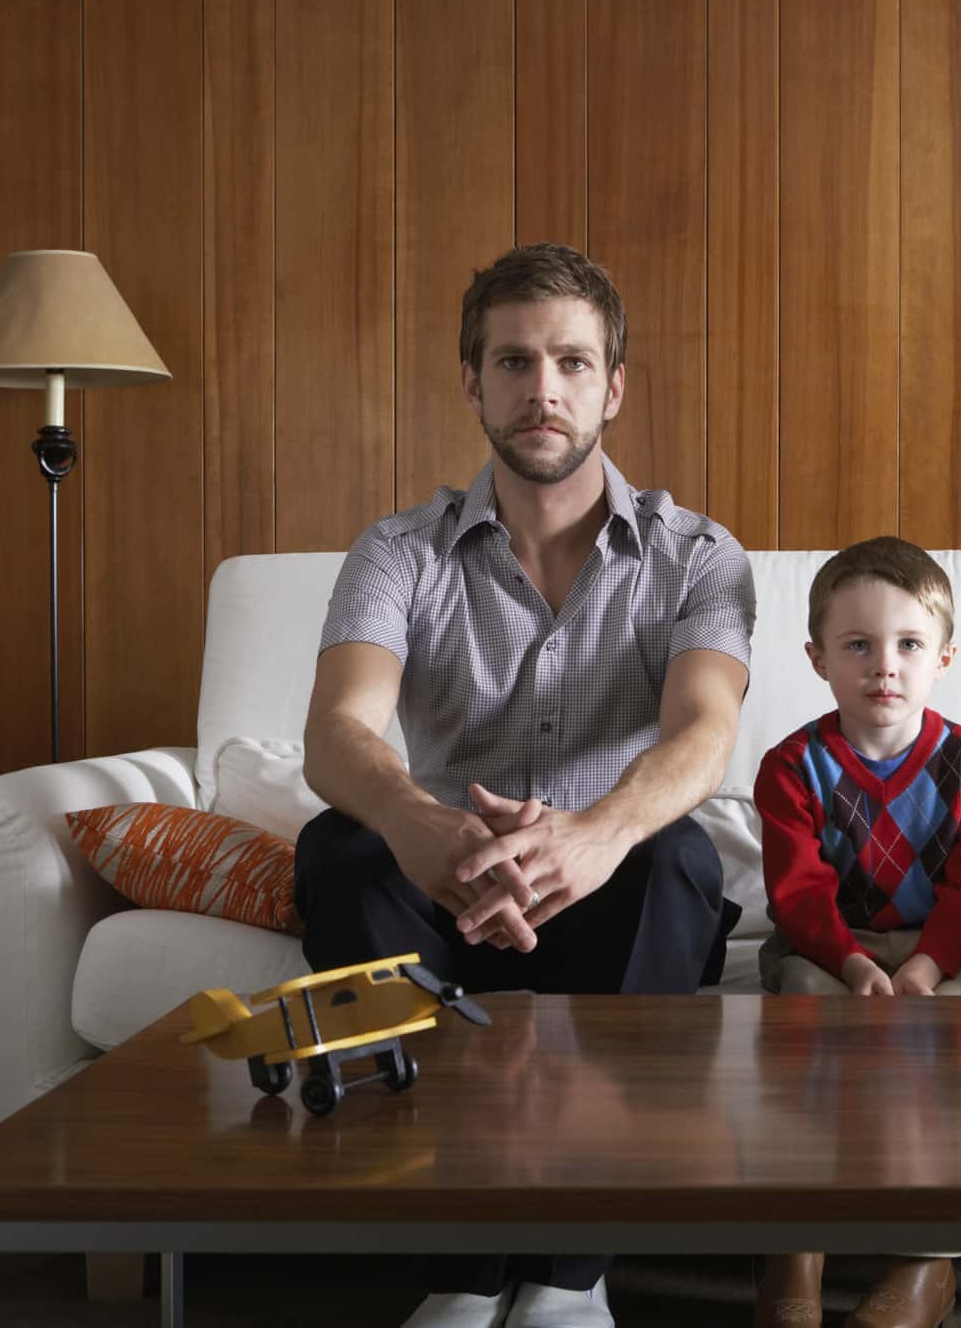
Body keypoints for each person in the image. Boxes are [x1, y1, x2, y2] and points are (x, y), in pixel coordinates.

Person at [296, 242, 756, 1328]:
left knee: (680, 858)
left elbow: (705, 733)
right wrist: (420, 823)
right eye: (513, 362)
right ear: (472, 382)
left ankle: (564, 1277)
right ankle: (461, 1274)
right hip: (443, 897)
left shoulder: (699, 554)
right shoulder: (396, 552)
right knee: (338, 850)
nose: (542, 389)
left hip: (605, 893)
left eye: (571, 362)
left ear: (613, 386)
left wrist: (595, 834)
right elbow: (337, 730)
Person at [751, 536, 961, 1328]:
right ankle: (795, 1249)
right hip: (829, 944)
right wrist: (852, 965)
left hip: (945, 944)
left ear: (944, 657)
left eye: (908, 645)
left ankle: (925, 1260)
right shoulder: (792, 765)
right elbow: (798, 893)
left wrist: (928, 968)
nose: (884, 667)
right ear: (818, 658)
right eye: (858, 645)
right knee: (803, 1017)